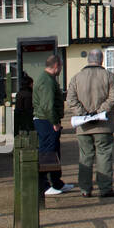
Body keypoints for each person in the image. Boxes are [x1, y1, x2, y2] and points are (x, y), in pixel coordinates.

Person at [66, 49, 114, 198]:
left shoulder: (76, 78)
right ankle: (105, 188)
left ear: (88, 60)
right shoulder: (109, 76)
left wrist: (83, 113)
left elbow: (71, 99)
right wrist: (99, 112)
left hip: (83, 125)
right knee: (104, 156)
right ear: (101, 60)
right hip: (103, 125)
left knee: (85, 157)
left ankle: (85, 189)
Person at [32, 55, 71, 196]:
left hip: (46, 120)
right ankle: (44, 185)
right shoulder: (47, 81)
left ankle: (56, 182)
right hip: (45, 121)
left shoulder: (47, 79)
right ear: (56, 66)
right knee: (47, 153)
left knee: (53, 152)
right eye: (60, 66)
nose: (61, 69)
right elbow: (47, 105)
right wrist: (54, 122)